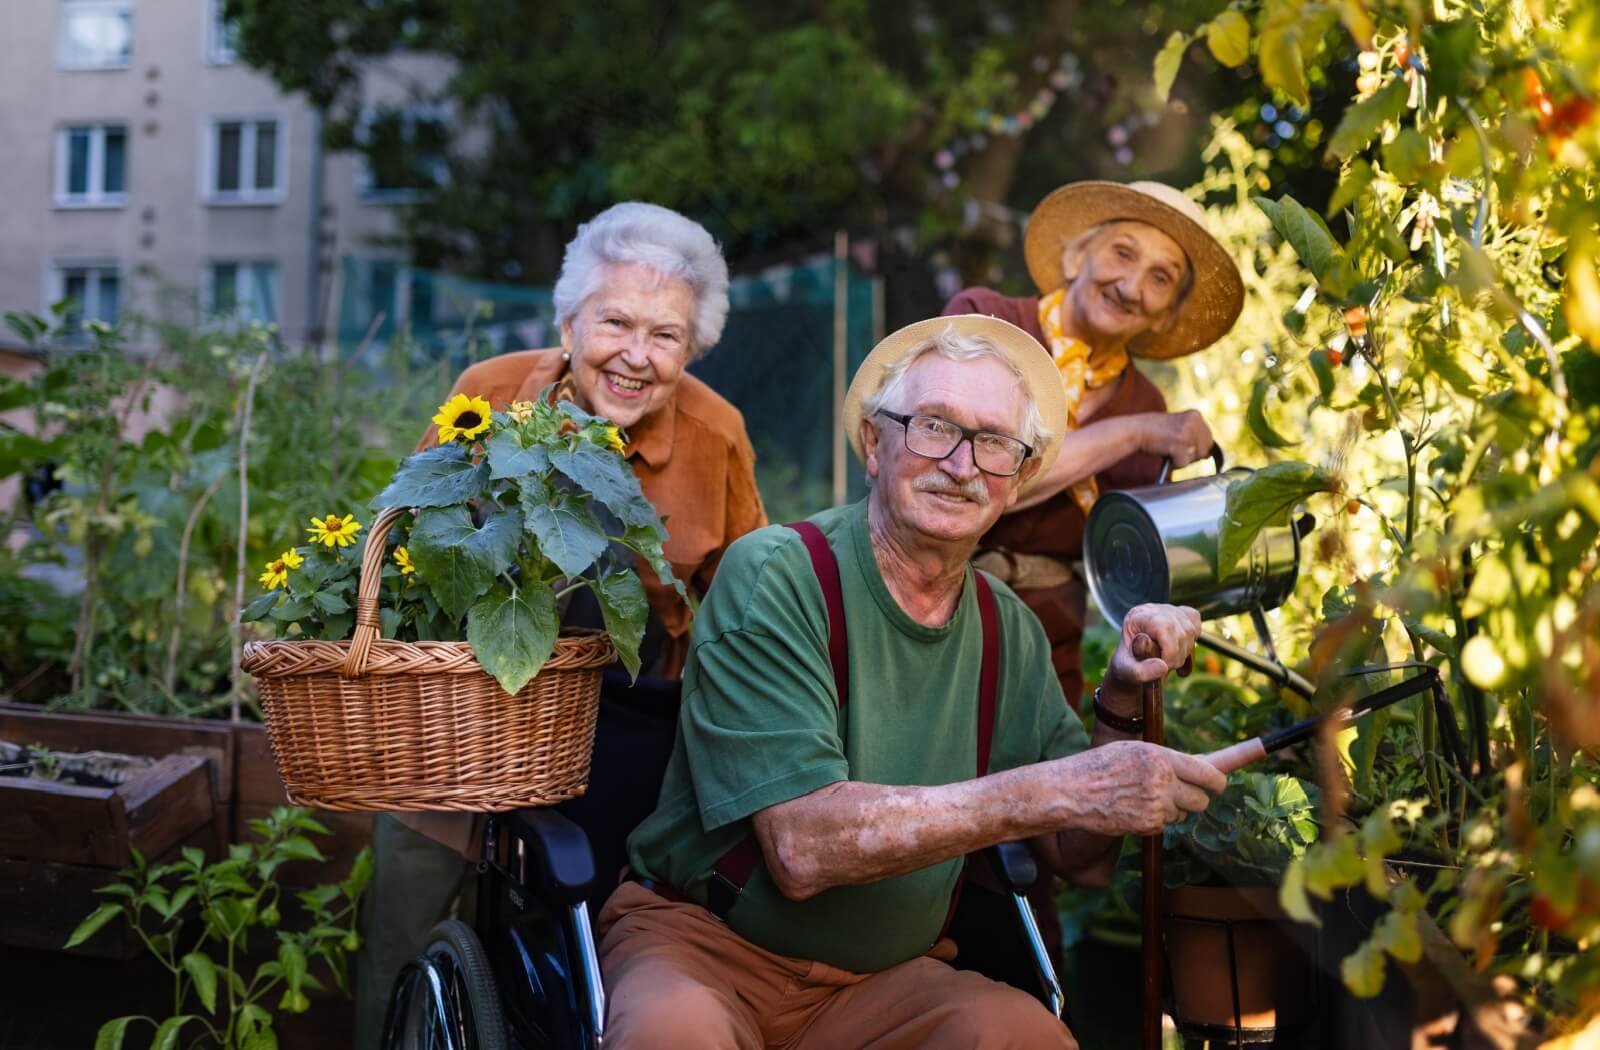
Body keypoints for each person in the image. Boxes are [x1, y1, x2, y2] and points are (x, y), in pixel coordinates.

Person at [596, 315, 1227, 1049]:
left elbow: (1079, 858)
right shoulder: (779, 575)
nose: (962, 465)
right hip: (706, 951)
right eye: (933, 427)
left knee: (1029, 1037)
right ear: (874, 443)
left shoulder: (1007, 629)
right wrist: (1058, 788)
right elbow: (802, 851)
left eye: (994, 443)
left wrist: (1122, 693)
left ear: (1018, 477)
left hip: (887, 981)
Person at [354, 202, 768, 1048]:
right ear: (570, 321)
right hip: (461, 709)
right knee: (403, 911)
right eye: (615, 322)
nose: (636, 356)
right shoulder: (489, 392)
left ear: (692, 349)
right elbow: (409, 534)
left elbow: (747, 605)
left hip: (621, 737)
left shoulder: (715, 433)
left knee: (593, 957)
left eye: (666, 336)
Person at [944, 179, 1245, 711]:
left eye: (1159, 279)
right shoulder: (987, 322)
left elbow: (1134, 564)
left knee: (1039, 779)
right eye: (1121, 254)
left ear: (1166, 314)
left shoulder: (1144, 398)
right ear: (1077, 256)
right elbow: (977, 473)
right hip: (934, 601)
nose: (1130, 287)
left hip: (1043, 642)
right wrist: (1135, 433)